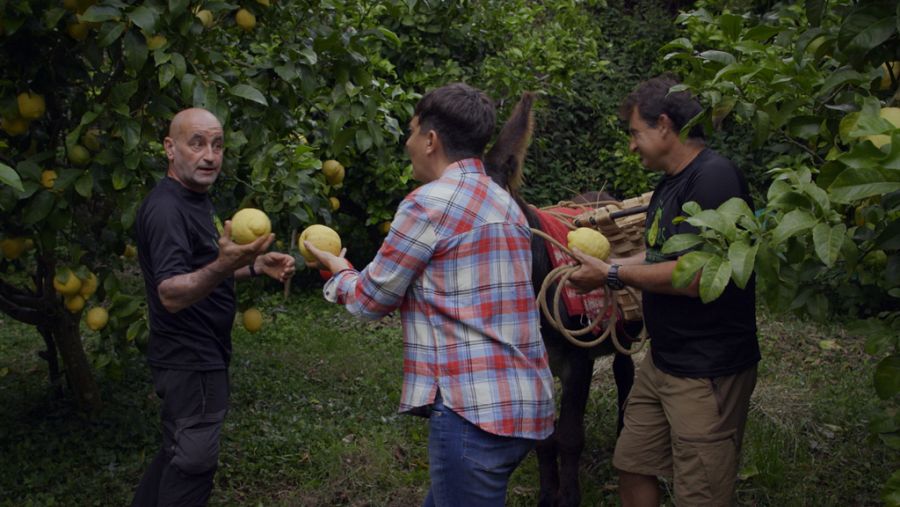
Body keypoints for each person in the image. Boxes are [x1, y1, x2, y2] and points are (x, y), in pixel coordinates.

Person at [304, 83, 555, 507]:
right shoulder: (504, 202)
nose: (407, 142)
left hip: (473, 415)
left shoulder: (429, 204)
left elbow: (370, 300)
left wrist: (338, 269)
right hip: (522, 404)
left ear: (431, 140)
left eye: (411, 130)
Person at [567, 75, 760, 506]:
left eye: (636, 133)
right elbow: (659, 260)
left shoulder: (714, 179)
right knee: (632, 463)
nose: (632, 145)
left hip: (706, 367)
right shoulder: (670, 184)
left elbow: (694, 277)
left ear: (665, 125)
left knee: (701, 492)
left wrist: (611, 275)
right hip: (664, 360)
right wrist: (608, 267)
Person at [132, 107, 295, 506]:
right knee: (193, 465)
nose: (210, 155)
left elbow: (199, 272)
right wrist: (225, 263)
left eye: (217, 145)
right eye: (197, 143)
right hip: (192, 359)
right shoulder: (168, 209)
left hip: (194, 357)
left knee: (177, 450)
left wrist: (252, 265)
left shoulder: (192, 199)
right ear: (170, 149)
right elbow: (171, 292)